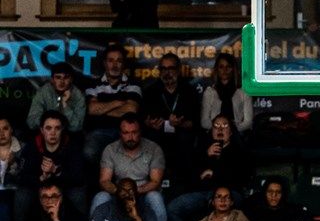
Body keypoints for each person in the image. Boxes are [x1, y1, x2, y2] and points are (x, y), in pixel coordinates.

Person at [166, 114, 250, 221]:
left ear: (231, 131)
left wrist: (215, 173)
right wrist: (206, 155)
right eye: (216, 126)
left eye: (224, 126)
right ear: (211, 131)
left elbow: (239, 177)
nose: (220, 129)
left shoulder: (238, 150)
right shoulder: (202, 149)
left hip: (229, 194)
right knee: (173, 208)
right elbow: (191, 176)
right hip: (203, 193)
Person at [91, 113, 167, 221]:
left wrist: (135, 192)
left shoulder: (154, 149)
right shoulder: (110, 149)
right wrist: (121, 192)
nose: (130, 137)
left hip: (143, 194)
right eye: (125, 133)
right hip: (118, 195)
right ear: (120, 133)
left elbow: (155, 181)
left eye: (134, 132)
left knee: (155, 198)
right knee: (101, 197)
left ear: (140, 132)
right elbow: (104, 181)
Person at [16, 110, 87, 221]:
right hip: (39, 184)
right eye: (48, 128)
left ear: (62, 130)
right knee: (22, 196)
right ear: (42, 130)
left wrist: (56, 170)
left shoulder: (72, 146)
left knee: (78, 195)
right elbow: (22, 177)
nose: (53, 132)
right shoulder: (32, 146)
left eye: (57, 128)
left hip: (64, 185)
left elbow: (79, 178)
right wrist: (41, 178)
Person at [141, 52, 199, 181]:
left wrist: (181, 124)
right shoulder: (150, 92)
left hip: (181, 134)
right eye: (163, 69)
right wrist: (149, 123)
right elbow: (143, 119)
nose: (167, 72)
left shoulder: (189, 92)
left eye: (171, 68)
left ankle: (184, 183)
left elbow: (195, 122)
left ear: (178, 70)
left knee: (186, 138)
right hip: (157, 134)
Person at [83, 44, 142, 164]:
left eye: (119, 61)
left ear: (123, 64)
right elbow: (92, 109)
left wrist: (103, 109)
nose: (115, 65)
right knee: (89, 153)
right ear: (105, 63)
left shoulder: (133, 84)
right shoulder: (93, 84)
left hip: (126, 132)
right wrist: (117, 102)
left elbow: (131, 109)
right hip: (99, 131)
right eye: (111, 61)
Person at [201, 54, 252, 136]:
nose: (225, 70)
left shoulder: (244, 92)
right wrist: (218, 129)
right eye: (221, 67)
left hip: (237, 133)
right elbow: (204, 121)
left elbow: (248, 121)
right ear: (217, 70)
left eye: (228, 67)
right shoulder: (210, 92)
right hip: (214, 134)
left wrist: (231, 130)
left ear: (233, 69)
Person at [26, 62, 86, 132]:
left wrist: (64, 104)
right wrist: (51, 124)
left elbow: (77, 127)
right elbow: (31, 122)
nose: (62, 81)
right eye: (58, 77)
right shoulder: (43, 92)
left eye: (66, 77)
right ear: (52, 79)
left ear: (71, 80)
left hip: (68, 134)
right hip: (46, 133)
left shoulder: (78, 95)